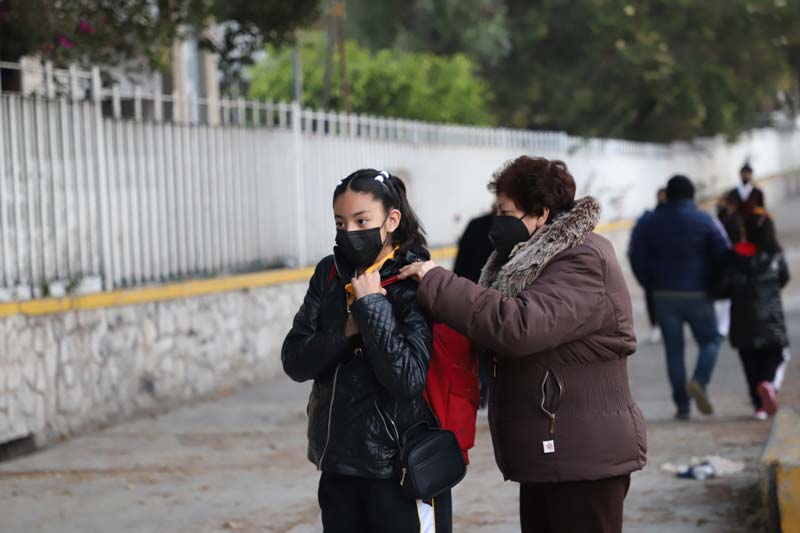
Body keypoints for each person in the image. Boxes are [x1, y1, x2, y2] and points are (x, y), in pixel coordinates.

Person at [400, 156, 647, 533]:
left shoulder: (581, 259)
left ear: (542, 213)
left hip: (582, 456)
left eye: (506, 211)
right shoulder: (525, 262)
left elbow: (518, 326)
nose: (497, 221)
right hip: (551, 449)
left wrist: (436, 282)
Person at [281, 169, 452, 532]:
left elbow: (406, 378)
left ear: (391, 220)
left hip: (399, 467)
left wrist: (372, 306)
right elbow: (295, 360)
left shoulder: (413, 279)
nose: (350, 233)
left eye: (362, 221)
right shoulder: (330, 274)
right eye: (340, 224)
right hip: (338, 464)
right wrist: (348, 328)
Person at [629, 175, 730, 420]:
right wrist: (715, 285)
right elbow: (724, 254)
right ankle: (699, 380)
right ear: (692, 195)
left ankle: (682, 406)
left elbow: (635, 254)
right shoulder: (706, 220)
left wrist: (649, 284)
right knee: (711, 340)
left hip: (664, 295)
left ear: (668, 195)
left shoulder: (649, 222)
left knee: (674, 351)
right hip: (699, 293)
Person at [721, 209, 790, 420]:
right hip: (771, 318)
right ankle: (768, 383)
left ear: (746, 231)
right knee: (776, 355)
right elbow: (783, 279)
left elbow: (723, 286)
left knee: (749, 362)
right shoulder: (776, 256)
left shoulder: (733, 255)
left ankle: (759, 407)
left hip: (742, 319)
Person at [452, 209, 495, 407]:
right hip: (484, 310)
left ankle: (481, 395)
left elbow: (459, 271)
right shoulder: (479, 227)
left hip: (475, 308)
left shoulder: (477, 225)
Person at [629, 188, 667, 345]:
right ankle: (656, 327)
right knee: (653, 299)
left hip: (661, 270)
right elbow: (637, 249)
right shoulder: (648, 219)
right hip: (654, 269)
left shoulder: (651, 219)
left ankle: (661, 327)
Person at [720, 164, 765, 241]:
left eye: (748, 173)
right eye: (744, 173)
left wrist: (760, 220)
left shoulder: (757, 192)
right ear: (740, 174)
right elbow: (727, 209)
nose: (746, 175)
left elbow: (761, 208)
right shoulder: (733, 192)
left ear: (751, 175)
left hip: (753, 224)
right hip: (736, 226)